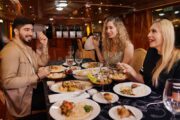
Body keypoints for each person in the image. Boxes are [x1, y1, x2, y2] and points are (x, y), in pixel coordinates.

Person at [0, 16, 50, 118]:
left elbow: (42, 62)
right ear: (16, 31)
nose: (30, 33)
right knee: (53, 98)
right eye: (26, 30)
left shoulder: (26, 47)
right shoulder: (11, 50)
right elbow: (7, 82)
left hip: (31, 88)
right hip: (23, 100)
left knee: (53, 88)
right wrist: (38, 76)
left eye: (32, 30)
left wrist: (44, 46)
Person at [118, 19, 180, 94]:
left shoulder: (177, 60)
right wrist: (132, 71)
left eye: (154, 31)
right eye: (150, 31)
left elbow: (176, 98)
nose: (148, 35)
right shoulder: (151, 51)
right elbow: (145, 80)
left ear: (165, 35)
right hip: (147, 99)